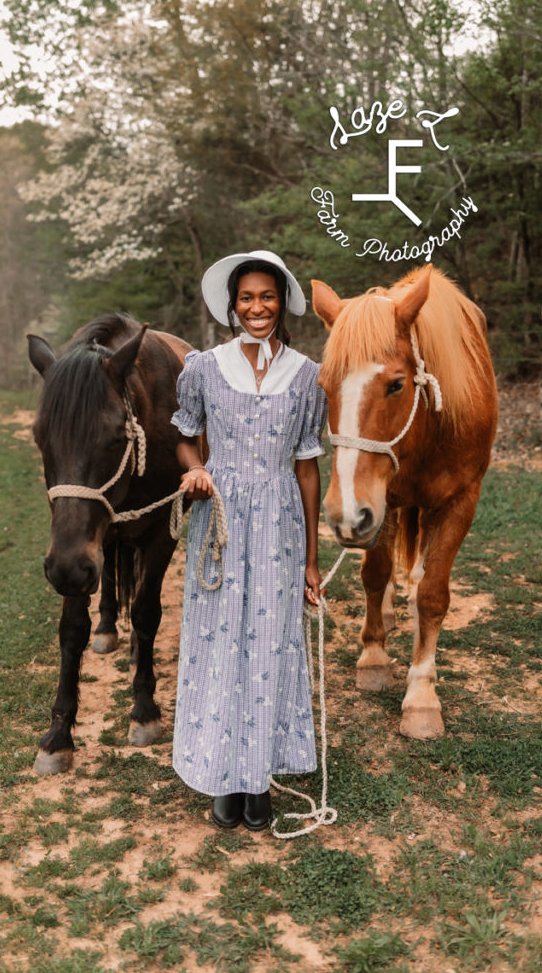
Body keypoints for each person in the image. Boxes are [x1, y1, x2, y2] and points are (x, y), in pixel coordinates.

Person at [171, 249, 327, 831]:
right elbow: (185, 434)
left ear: (281, 302)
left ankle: (257, 780)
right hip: (222, 518)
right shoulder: (205, 368)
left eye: (266, 296)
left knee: (269, 645)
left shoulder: (307, 375)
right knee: (219, 643)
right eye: (246, 298)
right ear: (233, 307)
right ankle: (221, 776)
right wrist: (197, 469)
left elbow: (308, 467)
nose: (257, 307)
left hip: (280, 521)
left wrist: (312, 559)